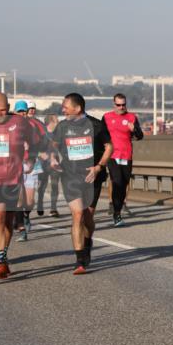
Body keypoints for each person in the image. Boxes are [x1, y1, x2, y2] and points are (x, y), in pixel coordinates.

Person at [0, 92, 42, 279]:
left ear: (8, 107)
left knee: (8, 221)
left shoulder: (19, 123)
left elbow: (35, 142)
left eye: (3, 110)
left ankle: (3, 252)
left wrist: (31, 160)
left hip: (13, 177)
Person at [48, 93, 112, 274]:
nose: (63, 110)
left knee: (88, 217)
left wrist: (99, 166)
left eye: (65, 107)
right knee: (77, 215)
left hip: (93, 176)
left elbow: (109, 147)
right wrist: (53, 158)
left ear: (77, 109)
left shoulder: (96, 125)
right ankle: (79, 260)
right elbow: (53, 145)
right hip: (71, 176)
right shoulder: (62, 126)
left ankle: (87, 242)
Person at [102, 92, 144, 226]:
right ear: (113, 104)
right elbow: (100, 135)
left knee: (124, 184)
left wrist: (134, 129)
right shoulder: (107, 117)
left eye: (123, 105)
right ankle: (117, 214)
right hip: (112, 155)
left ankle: (117, 210)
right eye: (118, 105)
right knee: (117, 182)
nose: (121, 107)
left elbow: (140, 136)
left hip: (126, 156)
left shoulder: (132, 117)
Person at [11, 100, 48, 241]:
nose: (22, 114)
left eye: (24, 111)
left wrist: (35, 157)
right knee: (19, 199)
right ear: (15, 112)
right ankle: (21, 229)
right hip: (16, 165)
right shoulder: (10, 127)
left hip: (31, 164)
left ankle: (25, 216)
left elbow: (39, 145)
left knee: (30, 201)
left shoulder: (33, 126)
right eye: (19, 111)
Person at [37, 113, 62, 217]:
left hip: (55, 163)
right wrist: (40, 154)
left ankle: (53, 208)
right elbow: (34, 147)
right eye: (56, 120)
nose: (58, 122)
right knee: (42, 185)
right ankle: (40, 204)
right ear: (51, 122)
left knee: (55, 185)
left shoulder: (59, 134)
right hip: (43, 163)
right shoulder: (41, 133)